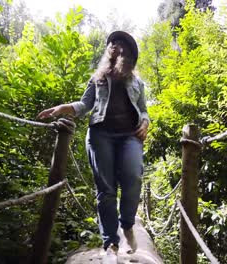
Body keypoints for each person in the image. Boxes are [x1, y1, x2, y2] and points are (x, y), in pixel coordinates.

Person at [37, 31, 149, 255]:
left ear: (129, 54)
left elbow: (143, 110)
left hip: (129, 136)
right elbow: (84, 104)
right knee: (106, 190)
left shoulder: (136, 81)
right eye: (113, 43)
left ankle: (127, 225)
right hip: (101, 135)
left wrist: (145, 121)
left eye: (121, 44)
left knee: (133, 177)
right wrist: (64, 108)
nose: (116, 46)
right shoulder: (97, 78)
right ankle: (111, 245)